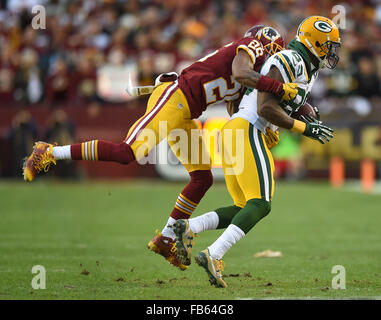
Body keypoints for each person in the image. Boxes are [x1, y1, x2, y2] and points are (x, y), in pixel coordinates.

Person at [23, 25, 298, 270]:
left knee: (202, 178)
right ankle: (49, 152)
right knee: (127, 152)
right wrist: (274, 84)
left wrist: (265, 128)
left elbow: (234, 104)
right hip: (175, 98)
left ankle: (166, 238)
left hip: (187, 111)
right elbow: (240, 72)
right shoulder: (252, 49)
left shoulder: (249, 71)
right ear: (268, 45)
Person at [173, 16, 340, 287]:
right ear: (317, 42)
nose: (333, 52)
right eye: (329, 46)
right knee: (261, 204)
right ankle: (213, 254)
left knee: (243, 206)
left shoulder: (306, 67)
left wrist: (300, 110)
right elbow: (264, 107)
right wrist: (302, 127)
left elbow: (277, 103)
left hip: (236, 131)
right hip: (247, 128)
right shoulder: (291, 60)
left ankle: (188, 228)